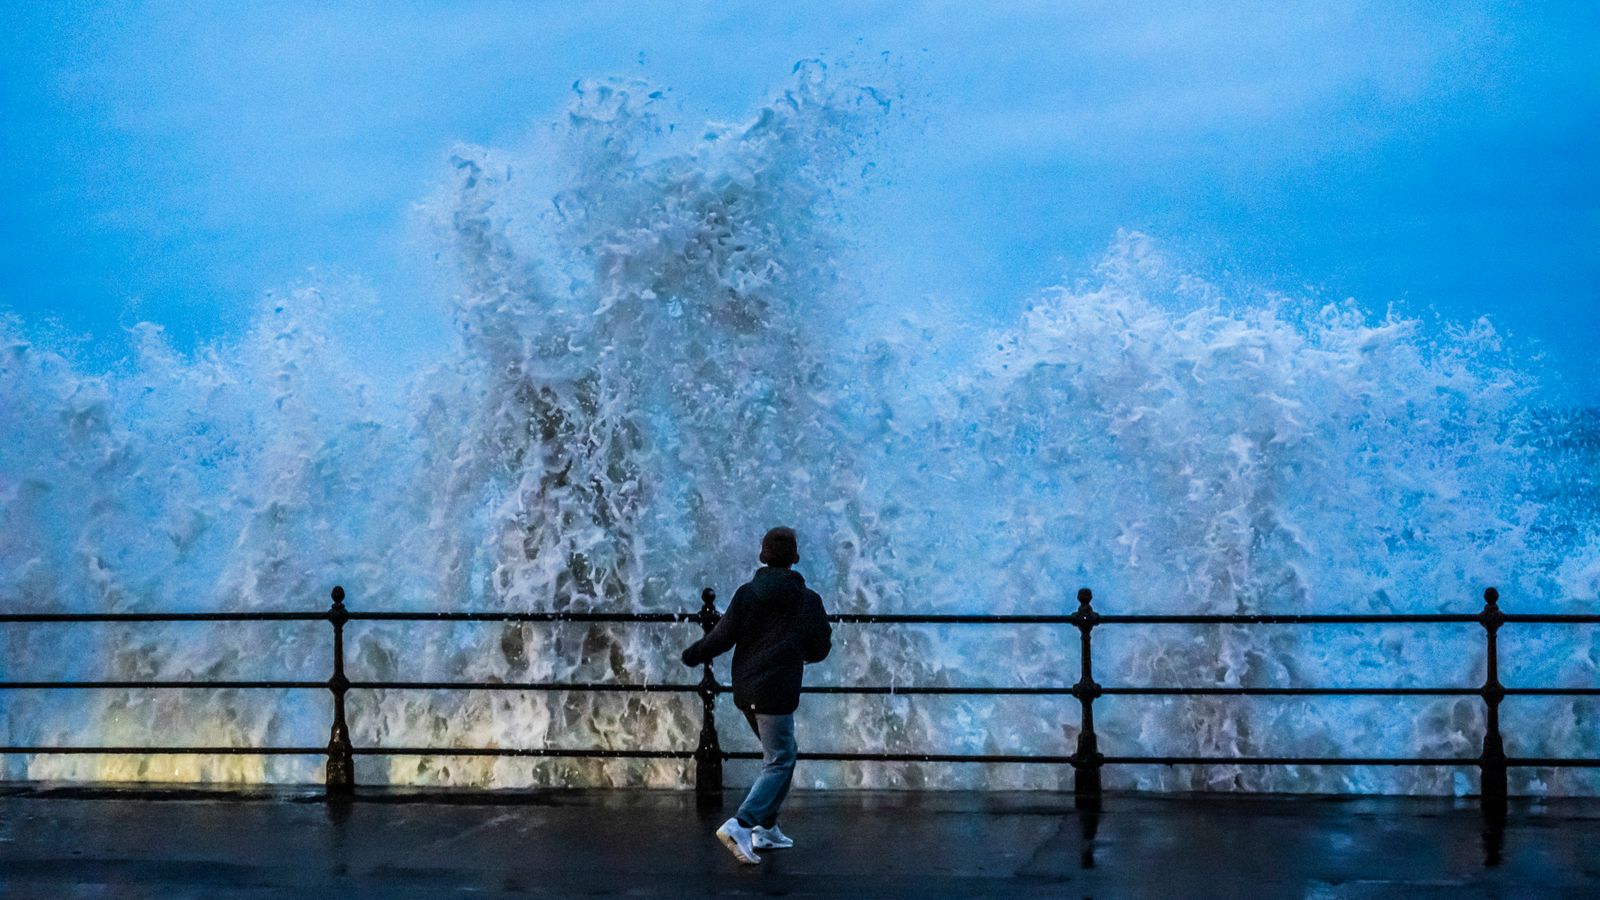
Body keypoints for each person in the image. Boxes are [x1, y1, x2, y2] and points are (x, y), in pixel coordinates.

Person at [680, 526, 832, 865]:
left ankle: (766, 827)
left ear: (763, 557)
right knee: (780, 760)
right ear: (795, 558)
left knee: (781, 754)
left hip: (746, 688)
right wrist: (802, 651)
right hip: (776, 691)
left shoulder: (747, 594)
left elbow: (722, 636)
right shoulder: (807, 600)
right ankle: (742, 824)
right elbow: (821, 646)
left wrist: (694, 653)